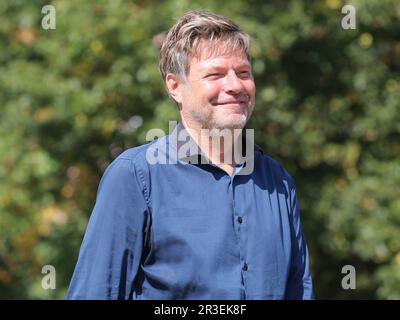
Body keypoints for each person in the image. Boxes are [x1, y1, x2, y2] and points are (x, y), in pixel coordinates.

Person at [67, 10, 313, 300]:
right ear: (175, 87)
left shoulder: (278, 182)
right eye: (216, 74)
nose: (235, 85)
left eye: (243, 72)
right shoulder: (135, 176)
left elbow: (300, 292)